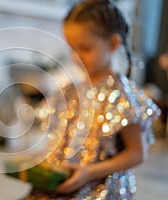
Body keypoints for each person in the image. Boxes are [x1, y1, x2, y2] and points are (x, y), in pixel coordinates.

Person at [24, 0, 161, 199]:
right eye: (72, 48)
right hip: (61, 185)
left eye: (86, 48)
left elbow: (137, 154)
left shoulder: (124, 97)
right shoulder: (71, 92)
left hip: (99, 191)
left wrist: (89, 172)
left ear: (113, 44)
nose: (76, 57)